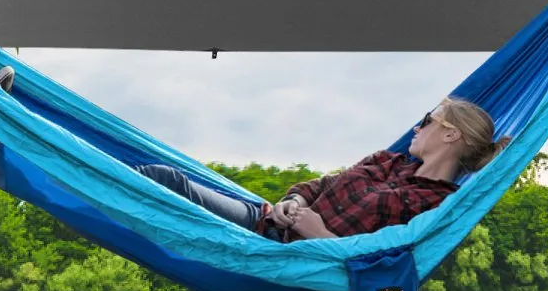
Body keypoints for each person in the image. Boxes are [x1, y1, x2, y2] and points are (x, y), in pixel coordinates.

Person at [134, 97, 502, 241]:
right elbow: (319, 184)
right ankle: (77, 183)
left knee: (165, 183)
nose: (417, 127)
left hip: (276, 252)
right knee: (166, 180)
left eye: (428, 120)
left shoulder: (438, 206)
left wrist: (319, 234)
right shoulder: (388, 160)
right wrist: (290, 201)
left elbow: (381, 266)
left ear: (451, 135)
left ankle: (77, 193)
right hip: (264, 220)